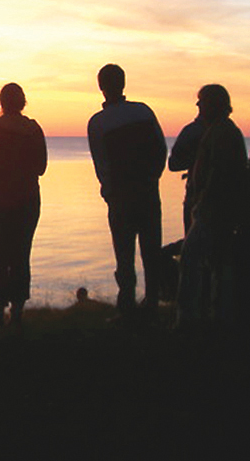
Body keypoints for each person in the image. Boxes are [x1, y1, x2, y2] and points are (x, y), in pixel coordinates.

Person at [87, 64, 167, 321]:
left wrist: (109, 190)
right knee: (151, 250)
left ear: (101, 86)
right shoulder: (143, 111)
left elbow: (101, 162)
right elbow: (161, 149)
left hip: (121, 195)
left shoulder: (98, 122)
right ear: (123, 83)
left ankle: (127, 306)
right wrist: (152, 177)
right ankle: (152, 302)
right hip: (147, 191)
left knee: (124, 254)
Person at [0, 83, 48, 327]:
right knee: (21, 255)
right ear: (23, 102)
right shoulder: (33, 130)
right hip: (27, 200)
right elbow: (41, 167)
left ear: (1, 103)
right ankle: (17, 310)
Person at [176, 84, 247, 328]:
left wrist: (202, 203)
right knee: (218, 262)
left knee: (190, 258)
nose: (198, 105)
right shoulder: (219, 131)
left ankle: (189, 318)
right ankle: (218, 315)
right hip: (218, 208)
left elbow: (219, 173)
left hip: (213, 210)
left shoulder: (223, 133)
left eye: (202, 101)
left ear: (215, 104)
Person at [168, 106, 207, 236]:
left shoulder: (192, 131)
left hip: (196, 196)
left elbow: (174, 163)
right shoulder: (230, 131)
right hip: (223, 198)